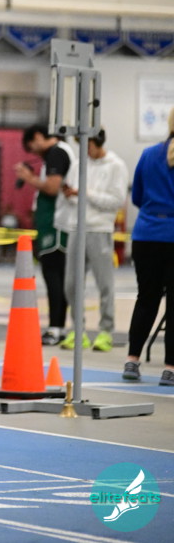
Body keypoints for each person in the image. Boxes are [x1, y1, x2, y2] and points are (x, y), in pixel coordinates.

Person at [58, 129, 129, 352]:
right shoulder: (78, 164)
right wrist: (71, 195)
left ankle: (106, 331)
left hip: (100, 229)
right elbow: (71, 195)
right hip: (76, 227)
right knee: (71, 284)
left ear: (98, 142)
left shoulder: (116, 165)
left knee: (104, 283)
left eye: (87, 145)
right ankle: (77, 330)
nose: (85, 149)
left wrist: (85, 193)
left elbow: (116, 201)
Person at [122, 108, 174, 386]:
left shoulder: (148, 154)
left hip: (146, 235)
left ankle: (132, 360)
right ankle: (170, 368)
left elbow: (137, 196)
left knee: (146, 299)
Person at [15, 125, 78, 346]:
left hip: (56, 224)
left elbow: (52, 187)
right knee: (56, 276)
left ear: (38, 137)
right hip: (51, 222)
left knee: (54, 275)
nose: (34, 153)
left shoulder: (57, 153)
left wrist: (28, 177)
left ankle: (56, 328)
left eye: (32, 147)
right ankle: (57, 327)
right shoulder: (56, 154)